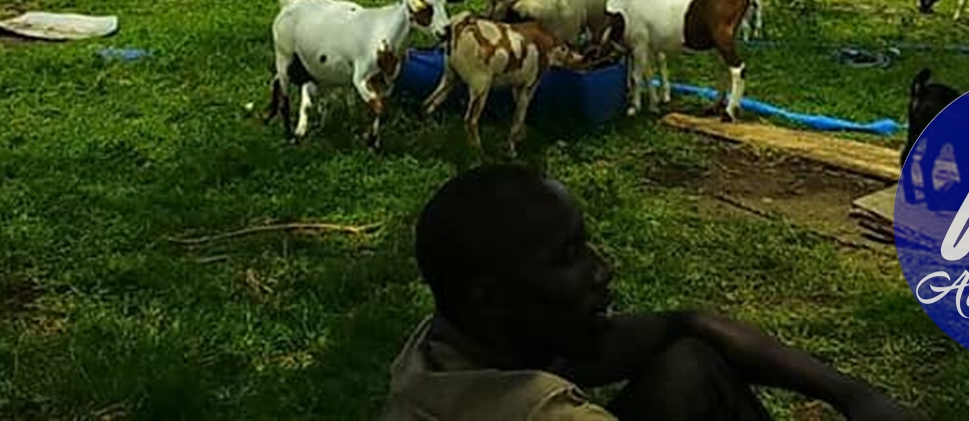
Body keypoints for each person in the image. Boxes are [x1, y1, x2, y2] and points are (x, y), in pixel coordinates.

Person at [381, 165, 927, 421]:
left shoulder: (444, 348)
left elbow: (688, 324)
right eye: (568, 257)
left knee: (689, 363)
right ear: (491, 296)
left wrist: (857, 397)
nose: (604, 269)